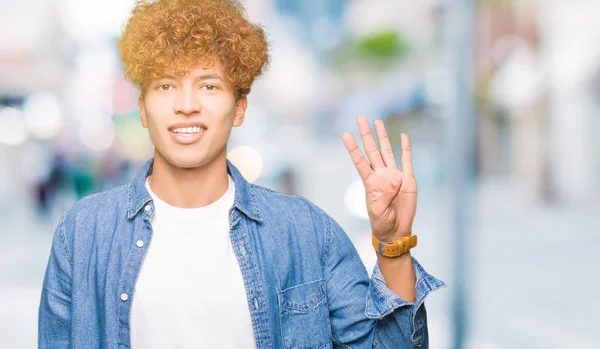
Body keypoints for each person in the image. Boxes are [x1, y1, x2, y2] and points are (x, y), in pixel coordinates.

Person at [38, 0, 444, 348]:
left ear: (240, 107)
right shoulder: (83, 233)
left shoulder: (305, 232)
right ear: (143, 108)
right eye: (165, 86)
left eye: (209, 86)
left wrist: (394, 245)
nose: (186, 105)